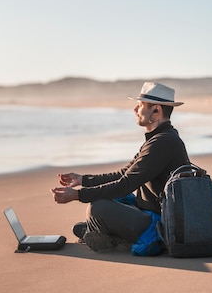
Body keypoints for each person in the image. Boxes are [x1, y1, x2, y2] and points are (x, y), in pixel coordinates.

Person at [50, 82, 190, 253]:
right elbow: (124, 173)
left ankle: (113, 236)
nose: (134, 109)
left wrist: (78, 195)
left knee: (98, 207)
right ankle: (101, 231)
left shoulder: (162, 143)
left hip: (161, 226)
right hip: (150, 211)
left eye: (139, 105)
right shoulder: (160, 138)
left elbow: (125, 184)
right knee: (108, 202)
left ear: (156, 110)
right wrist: (83, 180)